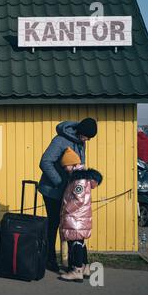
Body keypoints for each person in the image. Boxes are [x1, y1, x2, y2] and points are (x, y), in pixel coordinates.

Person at [38, 118, 98, 272]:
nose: (87, 140)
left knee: (71, 225)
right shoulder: (60, 141)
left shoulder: (80, 142)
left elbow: (78, 164)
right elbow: (45, 162)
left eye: (89, 138)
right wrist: (59, 182)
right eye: (86, 137)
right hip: (53, 190)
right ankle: (49, 259)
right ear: (79, 132)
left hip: (68, 191)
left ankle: (73, 262)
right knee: (54, 224)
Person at [57, 147, 102, 282]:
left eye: (66, 165)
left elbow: (79, 199)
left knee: (75, 243)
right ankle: (85, 267)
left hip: (75, 218)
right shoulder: (80, 178)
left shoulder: (79, 180)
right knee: (80, 242)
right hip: (79, 218)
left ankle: (76, 270)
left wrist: (66, 209)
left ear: (73, 164)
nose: (65, 168)